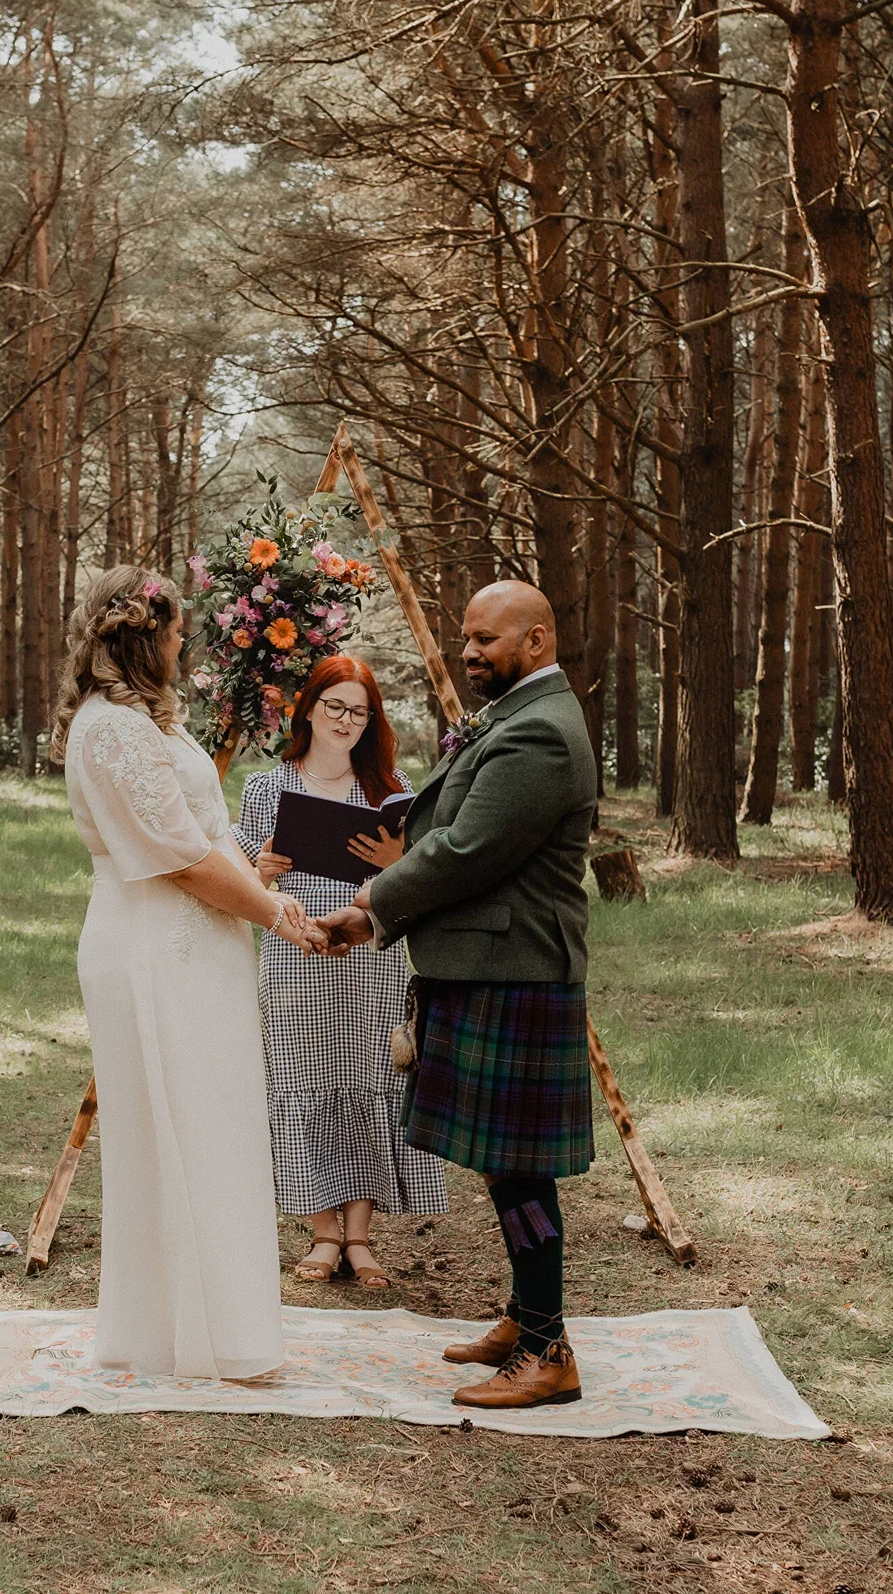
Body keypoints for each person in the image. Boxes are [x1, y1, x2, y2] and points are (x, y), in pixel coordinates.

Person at [315, 581, 599, 1410]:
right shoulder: (516, 715)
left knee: (519, 1169)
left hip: (511, 971)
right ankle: (528, 1314)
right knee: (505, 1166)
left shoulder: (541, 733)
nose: (469, 652)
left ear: (538, 640)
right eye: (464, 637)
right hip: (486, 964)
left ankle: (548, 1352)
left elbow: (466, 851)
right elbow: (447, 830)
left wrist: (369, 909)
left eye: (485, 639)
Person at [51, 566, 323, 1379]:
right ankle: (185, 1333)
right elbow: (177, 861)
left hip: (199, 942)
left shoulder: (146, 725)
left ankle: (213, 1319)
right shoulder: (114, 732)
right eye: (174, 632)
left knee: (214, 1122)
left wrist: (251, 868)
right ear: (143, 637)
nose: (182, 644)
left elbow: (200, 841)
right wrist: (275, 916)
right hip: (153, 947)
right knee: (176, 1127)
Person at [234, 656, 449, 1289]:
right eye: (335, 707)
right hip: (298, 952)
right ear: (309, 709)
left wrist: (394, 859)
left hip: (369, 955)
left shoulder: (391, 787)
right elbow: (242, 873)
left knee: (369, 1075)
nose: (347, 721)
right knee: (307, 1075)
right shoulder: (267, 788)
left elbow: (419, 876)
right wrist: (260, 873)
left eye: (360, 711)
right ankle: (323, 1232)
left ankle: (360, 1237)